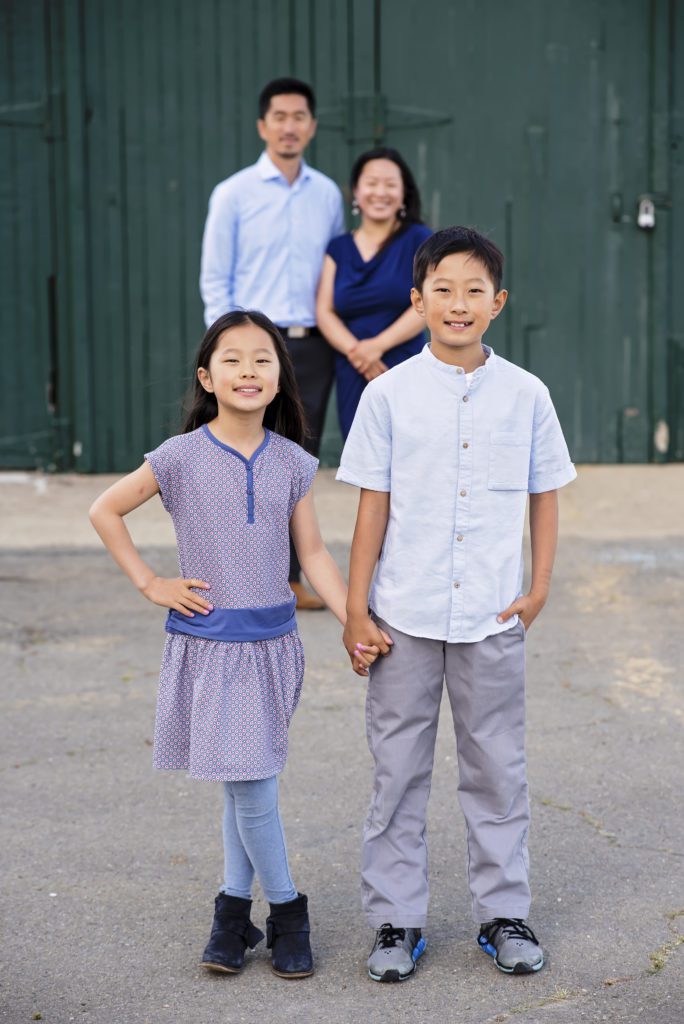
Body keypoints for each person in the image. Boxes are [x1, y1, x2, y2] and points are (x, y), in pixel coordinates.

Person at [89, 310, 379, 980]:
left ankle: (229, 913)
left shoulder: (291, 463)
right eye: (232, 359)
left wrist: (351, 619)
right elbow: (104, 509)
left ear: (281, 377)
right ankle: (285, 912)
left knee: (242, 781)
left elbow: (313, 554)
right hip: (209, 646)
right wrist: (149, 582)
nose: (248, 371)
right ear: (206, 376)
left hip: (272, 645)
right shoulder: (179, 457)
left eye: (263, 360)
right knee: (249, 783)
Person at [336, 226, 577, 982]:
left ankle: (504, 912)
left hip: (492, 617)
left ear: (498, 303)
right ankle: (395, 922)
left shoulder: (527, 395)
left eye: (475, 290)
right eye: (443, 289)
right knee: (398, 772)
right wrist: (354, 608)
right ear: (418, 301)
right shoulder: (388, 395)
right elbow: (372, 509)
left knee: (496, 769)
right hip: (401, 616)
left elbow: (545, 496)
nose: (459, 303)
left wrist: (537, 588)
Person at [200, 78, 344, 610]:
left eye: (299, 116)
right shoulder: (233, 193)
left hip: (310, 345)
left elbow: (331, 272)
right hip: (252, 348)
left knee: (295, 460)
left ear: (311, 125)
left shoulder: (327, 194)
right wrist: (229, 351)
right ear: (263, 126)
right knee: (239, 456)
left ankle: (288, 578)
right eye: (279, 116)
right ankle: (238, 573)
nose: (289, 126)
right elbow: (215, 280)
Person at [316, 147, 432, 438]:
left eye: (390, 184)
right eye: (371, 183)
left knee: (411, 452)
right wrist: (358, 354)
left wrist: (376, 346)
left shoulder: (420, 240)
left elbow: (428, 302)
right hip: (352, 368)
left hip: (403, 363)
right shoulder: (339, 248)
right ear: (356, 191)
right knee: (362, 457)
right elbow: (324, 311)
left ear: (404, 192)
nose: (380, 192)